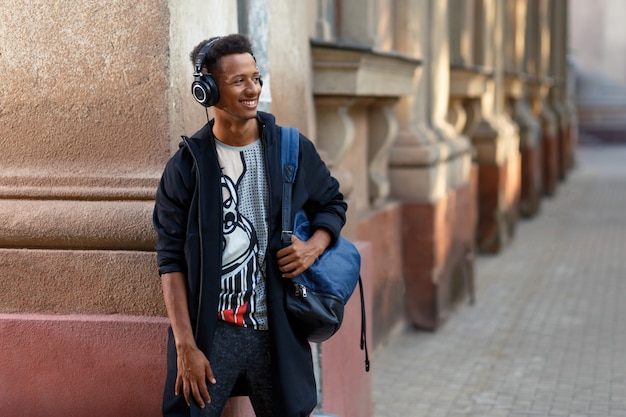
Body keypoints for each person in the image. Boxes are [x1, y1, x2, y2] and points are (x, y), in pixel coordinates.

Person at [153, 34, 347, 417]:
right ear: (206, 89)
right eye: (238, 80)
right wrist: (185, 345)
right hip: (211, 334)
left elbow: (332, 204)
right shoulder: (186, 167)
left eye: (256, 78)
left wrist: (315, 245)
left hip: (276, 331)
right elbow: (170, 259)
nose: (252, 88)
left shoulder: (291, 148)